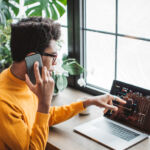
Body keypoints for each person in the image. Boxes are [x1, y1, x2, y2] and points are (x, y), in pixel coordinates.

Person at [0, 17, 126, 150]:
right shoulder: (4, 103)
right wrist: (44, 101)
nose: (55, 63)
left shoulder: (21, 79)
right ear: (33, 58)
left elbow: (46, 115)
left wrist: (88, 102)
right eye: (53, 56)